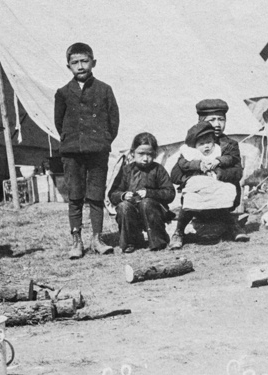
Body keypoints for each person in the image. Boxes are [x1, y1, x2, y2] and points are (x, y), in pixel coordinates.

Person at [54, 42, 120, 259]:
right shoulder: (63, 93)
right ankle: (76, 241)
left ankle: (97, 239)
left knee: (96, 195)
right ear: (68, 66)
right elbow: (59, 122)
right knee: (75, 196)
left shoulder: (104, 90)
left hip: (97, 151)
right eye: (75, 62)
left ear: (93, 62)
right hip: (72, 152)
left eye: (84, 61)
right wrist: (71, 141)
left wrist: (103, 140)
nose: (80, 66)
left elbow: (113, 121)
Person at [170, 116, 243, 249]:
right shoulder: (190, 154)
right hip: (197, 190)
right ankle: (179, 232)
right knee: (190, 200)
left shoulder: (225, 147)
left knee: (223, 194)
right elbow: (176, 173)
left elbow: (234, 165)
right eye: (202, 143)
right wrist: (196, 167)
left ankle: (234, 227)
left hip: (215, 188)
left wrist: (218, 165)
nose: (207, 146)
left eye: (209, 142)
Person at [107, 133, 176, 253]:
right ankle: (130, 242)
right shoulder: (126, 171)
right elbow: (113, 194)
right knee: (123, 206)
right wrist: (123, 196)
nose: (145, 158)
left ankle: (157, 240)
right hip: (132, 213)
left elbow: (170, 193)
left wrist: (149, 193)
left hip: (154, 212)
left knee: (146, 203)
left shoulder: (158, 169)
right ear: (133, 153)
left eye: (149, 154)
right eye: (141, 154)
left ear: (155, 154)